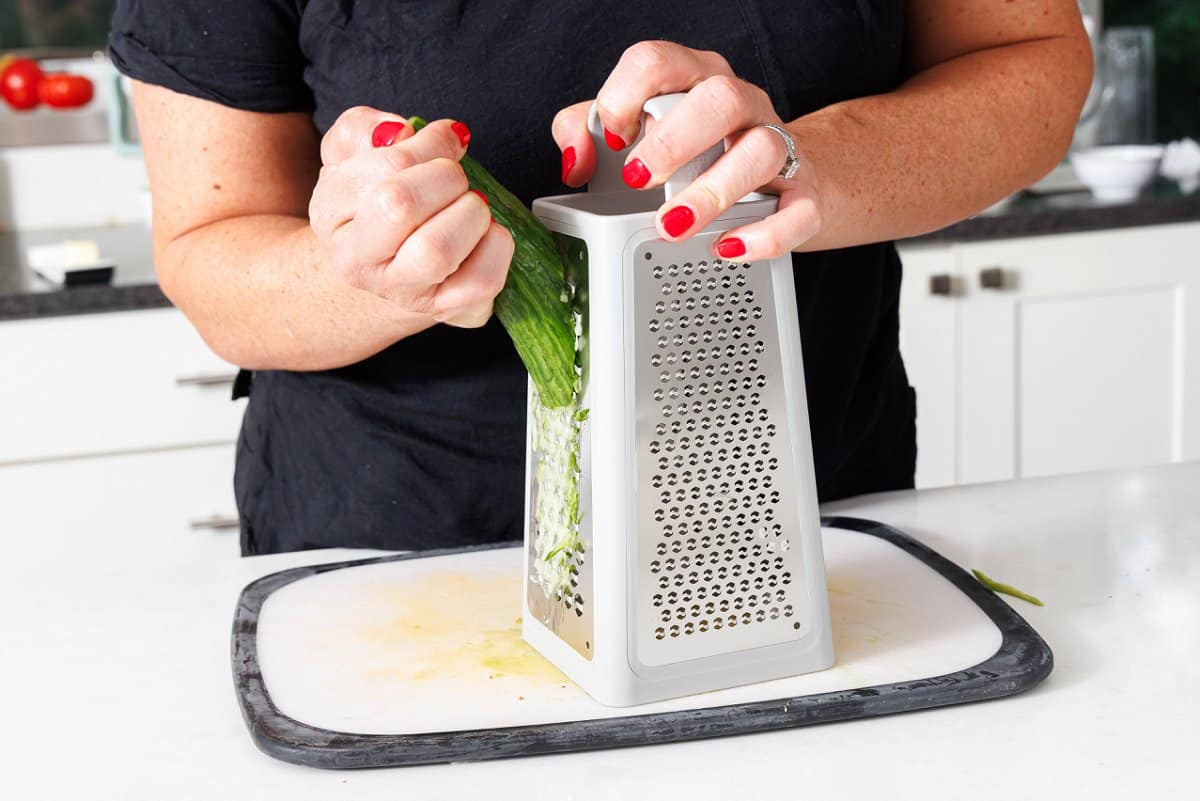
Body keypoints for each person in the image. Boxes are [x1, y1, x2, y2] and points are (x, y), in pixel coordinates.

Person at [109, 1, 1092, 555]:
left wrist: (809, 167)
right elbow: (213, 247)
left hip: (812, 518)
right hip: (394, 536)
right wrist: (373, 274)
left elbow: (1030, 59)